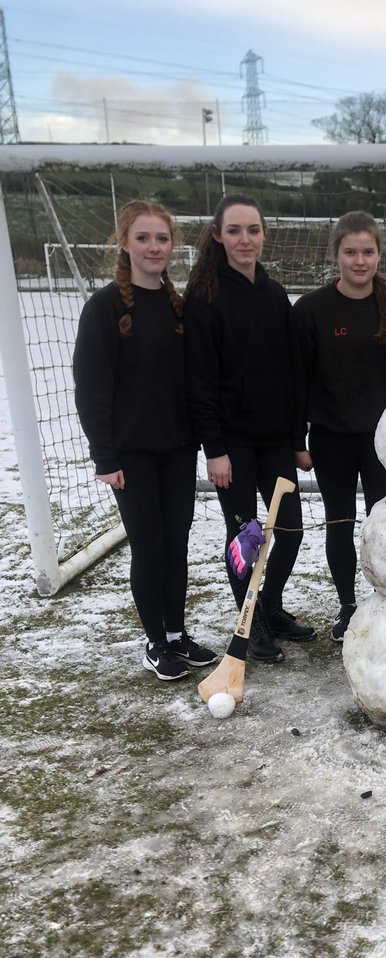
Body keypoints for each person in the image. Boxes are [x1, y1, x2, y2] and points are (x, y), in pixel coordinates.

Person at [73, 200, 217, 682]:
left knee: (176, 544)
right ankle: (155, 641)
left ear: (172, 246)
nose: (154, 247)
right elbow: (92, 387)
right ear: (125, 243)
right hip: (131, 455)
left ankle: (177, 635)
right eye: (143, 238)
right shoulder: (105, 308)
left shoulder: (179, 307)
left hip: (177, 450)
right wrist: (105, 455)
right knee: (148, 546)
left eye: (162, 239)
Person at [183, 193, 313, 663]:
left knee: (291, 529)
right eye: (234, 230)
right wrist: (214, 449)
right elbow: (199, 381)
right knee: (246, 535)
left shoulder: (275, 294)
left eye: (252, 230)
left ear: (264, 234)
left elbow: (291, 371)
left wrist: (296, 440)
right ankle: (249, 624)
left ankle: (270, 605)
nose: (245, 239)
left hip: (275, 439)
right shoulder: (203, 297)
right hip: (232, 445)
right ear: (217, 235)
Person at [291, 211, 386, 641]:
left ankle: (385, 602)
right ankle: (347, 606)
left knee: (382, 525)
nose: (360, 261)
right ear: (336, 254)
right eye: (351, 251)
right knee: (339, 522)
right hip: (330, 438)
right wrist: (295, 439)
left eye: (368, 251)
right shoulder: (311, 310)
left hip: (383, 444)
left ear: (379, 254)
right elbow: (297, 380)